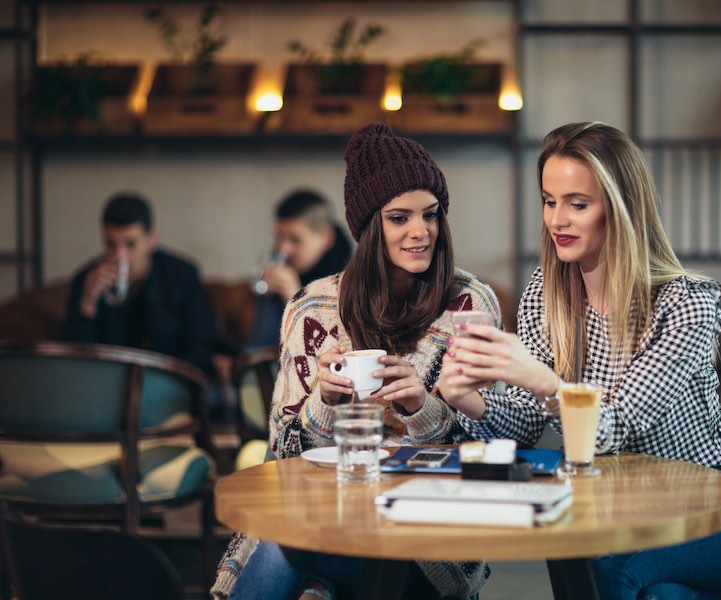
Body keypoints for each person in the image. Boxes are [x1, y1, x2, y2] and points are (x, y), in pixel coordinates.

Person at [438, 122, 721, 600]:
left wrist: (545, 382)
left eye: (577, 204)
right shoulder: (545, 297)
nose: (557, 220)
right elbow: (524, 424)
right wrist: (469, 401)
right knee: (655, 592)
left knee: (606, 558)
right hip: (633, 505)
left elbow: (614, 427)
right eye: (549, 201)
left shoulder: (685, 305)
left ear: (621, 209)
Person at [212, 123, 500, 600]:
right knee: (293, 537)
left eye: (430, 215)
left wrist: (421, 409)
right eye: (399, 218)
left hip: (421, 529)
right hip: (322, 511)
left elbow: (492, 449)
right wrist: (324, 401)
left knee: (312, 553)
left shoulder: (469, 305)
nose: (420, 232)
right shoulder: (313, 308)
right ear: (368, 228)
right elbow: (283, 457)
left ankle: (320, 588)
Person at [62, 192, 221, 380]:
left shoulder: (181, 275)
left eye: (130, 244)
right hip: (108, 389)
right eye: (111, 244)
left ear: (151, 240)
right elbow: (73, 364)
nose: (120, 256)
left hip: (171, 387)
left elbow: (203, 345)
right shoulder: (86, 281)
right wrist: (87, 306)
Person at [246, 189, 353, 350]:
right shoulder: (282, 270)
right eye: (279, 238)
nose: (283, 249)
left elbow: (335, 350)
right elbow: (260, 346)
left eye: (295, 240)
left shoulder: (353, 275)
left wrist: (295, 297)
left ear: (326, 238)